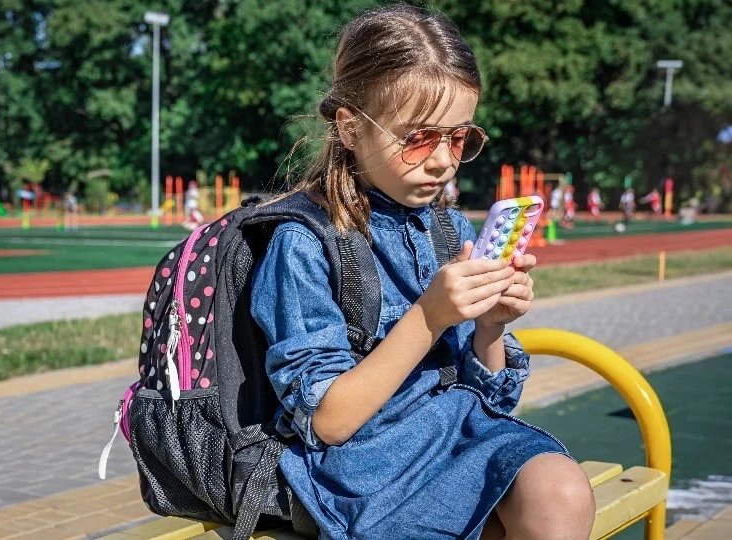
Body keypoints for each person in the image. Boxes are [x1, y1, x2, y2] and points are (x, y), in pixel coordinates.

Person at [250, 6, 594, 539]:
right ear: (349, 127)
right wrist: (430, 315)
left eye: (458, 139)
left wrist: (490, 327)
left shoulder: (448, 228)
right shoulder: (305, 242)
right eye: (418, 138)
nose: (442, 161)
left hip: (459, 434)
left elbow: (494, 401)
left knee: (561, 491)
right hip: (369, 472)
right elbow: (329, 422)